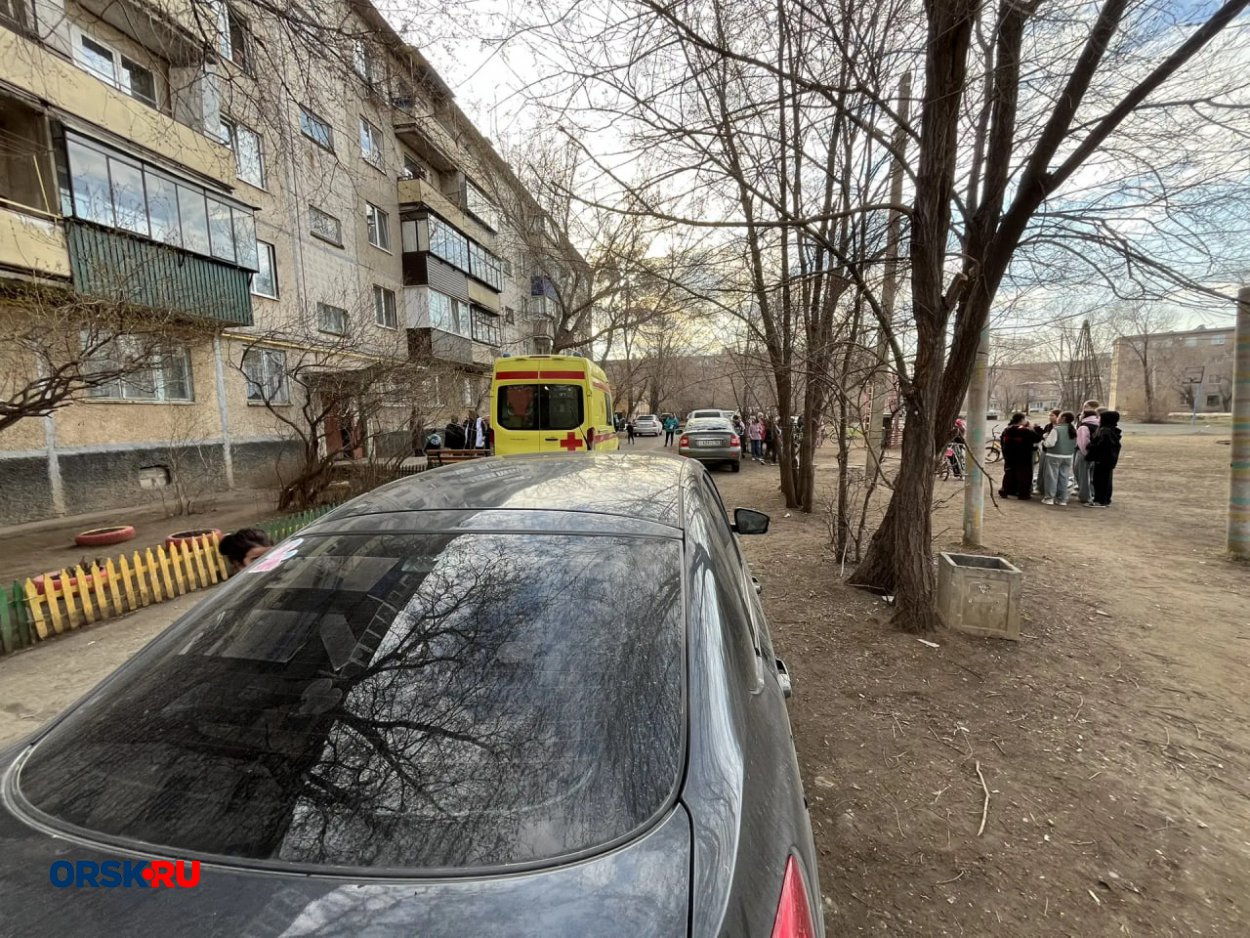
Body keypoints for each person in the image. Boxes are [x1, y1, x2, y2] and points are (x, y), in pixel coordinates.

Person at [1040, 411, 1078, 505]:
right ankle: (1062, 499)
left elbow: (1050, 444)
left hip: (1054, 455)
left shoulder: (1056, 429)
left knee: (1051, 477)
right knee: (1064, 477)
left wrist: (1045, 439)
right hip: (1068, 456)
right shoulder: (1073, 430)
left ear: (1063, 419)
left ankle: (1049, 498)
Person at [997, 413, 1037, 499]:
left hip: (1009, 455)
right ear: (1021, 420)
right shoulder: (1025, 430)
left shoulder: (1007, 429)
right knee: (1023, 475)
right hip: (1023, 456)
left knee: (1009, 473)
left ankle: (1006, 490)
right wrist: (1033, 428)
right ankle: (1023, 494)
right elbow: (1037, 438)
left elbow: (1002, 442)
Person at [1087, 409, 1122, 507]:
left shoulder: (1105, 431)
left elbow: (1102, 445)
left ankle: (1100, 500)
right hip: (1109, 459)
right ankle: (1105, 499)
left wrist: (1090, 446)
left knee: (1100, 480)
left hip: (1102, 459)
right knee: (1106, 480)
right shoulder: (1112, 430)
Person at [1072, 406, 1102, 506]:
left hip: (1084, 454)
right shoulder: (1098, 425)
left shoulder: (1083, 427)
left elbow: (1083, 443)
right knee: (1092, 476)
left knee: (1082, 475)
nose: (1080, 415)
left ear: (1085, 415)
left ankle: (1084, 496)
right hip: (1096, 454)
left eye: (1082, 414)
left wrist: (1086, 455)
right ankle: (1092, 493)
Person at [1033, 409, 1061, 495]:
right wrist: (1039, 430)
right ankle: (1040, 487)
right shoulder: (1048, 426)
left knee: (1053, 472)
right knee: (1042, 470)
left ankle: (1053, 490)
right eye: (1049, 415)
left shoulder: (1061, 427)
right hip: (1045, 451)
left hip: (1056, 452)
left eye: (1052, 415)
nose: (1050, 417)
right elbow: (1042, 436)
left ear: (1058, 416)